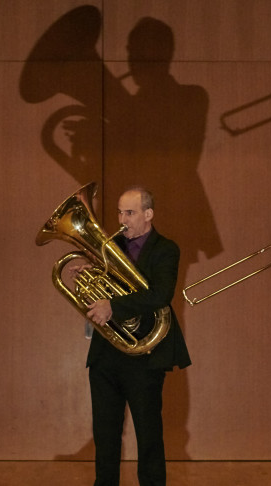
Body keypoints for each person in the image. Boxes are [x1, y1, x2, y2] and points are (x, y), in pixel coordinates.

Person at [80, 186, 191, 486]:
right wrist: (90, 279)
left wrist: (113, 306)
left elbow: (161, 294)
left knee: (148, 435)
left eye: (129, 213)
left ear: (148, 214)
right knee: (105, 436)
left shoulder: (166, 249)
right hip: (106, 356)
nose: (122, 220)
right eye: (120, 212)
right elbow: (100, 295)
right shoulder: (109, 247)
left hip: (144, 356)